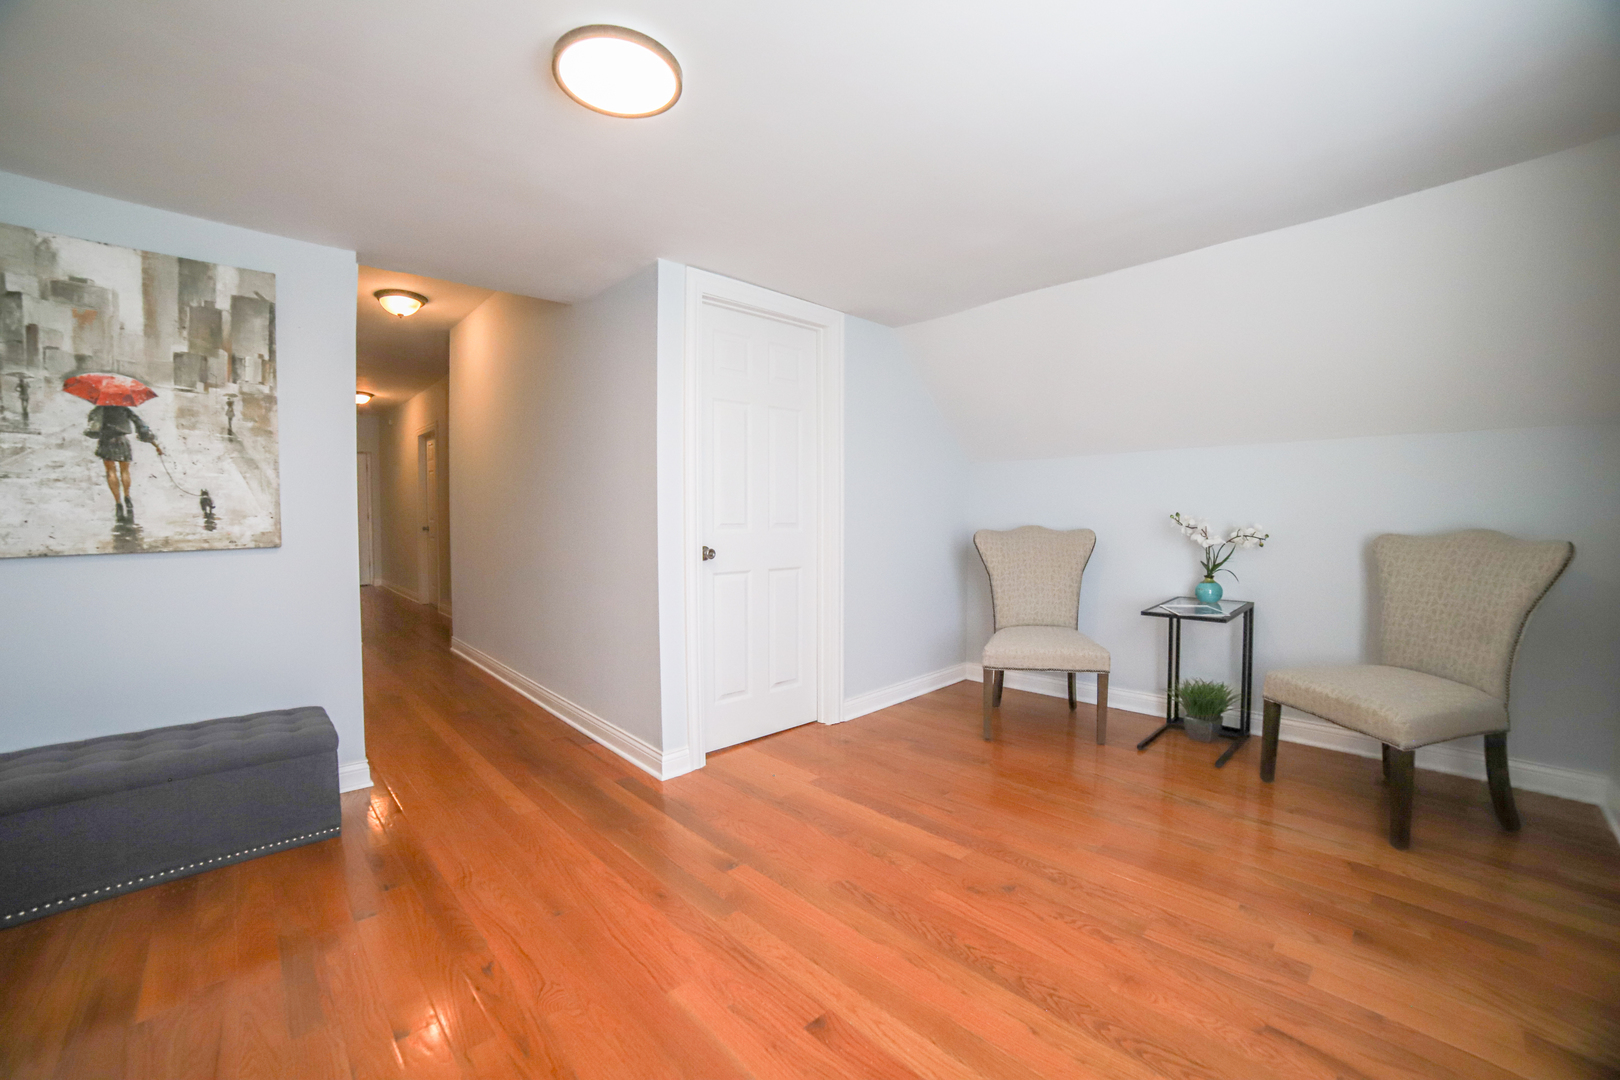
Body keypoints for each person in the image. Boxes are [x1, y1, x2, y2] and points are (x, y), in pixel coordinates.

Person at [84, 404, 162, 522]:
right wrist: (155, 445)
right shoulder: (125, 409)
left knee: (111, 472)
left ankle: (118, 503)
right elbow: (141, 426)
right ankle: (127, 496)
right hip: (122, 441)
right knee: (125, 471)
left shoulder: (100, 409)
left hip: (106, 441)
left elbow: (92, 429)